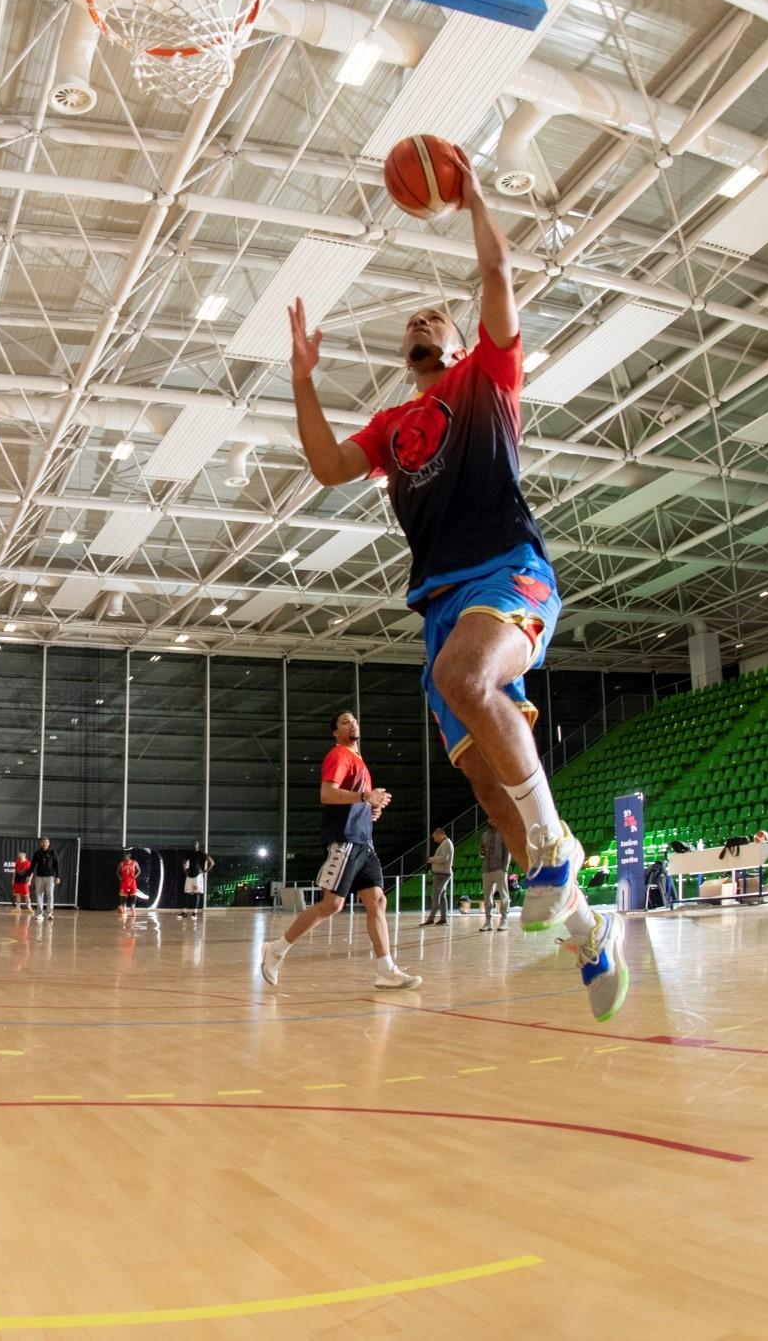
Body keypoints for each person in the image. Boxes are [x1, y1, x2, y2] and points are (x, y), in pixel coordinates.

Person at [286, 162, 628, 1021]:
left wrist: (474, 198)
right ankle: (587, 928)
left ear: (455, 336)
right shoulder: (392, 427)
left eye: (434, 315)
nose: (421, 321)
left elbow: (499, 275)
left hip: (507, 571)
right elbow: (327, 467)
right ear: (404, 356)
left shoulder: (489, 380)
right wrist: (300, 377)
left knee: (464, 681)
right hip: (440, 605)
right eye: (413, 323)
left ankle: (555, 852)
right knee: (482, 784)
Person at [260, 710, 420, 991]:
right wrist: (363, 797)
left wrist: (371, 808)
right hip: (345, 839)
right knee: (332, 905)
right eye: (345, 722)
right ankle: (276, 949)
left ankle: (386, 970)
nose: (352, 723)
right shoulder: (339, 755)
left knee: (377, 902)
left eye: (355, 720)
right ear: (336, 732)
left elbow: (355, 801)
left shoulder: (360, 763)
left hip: (364, 842)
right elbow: (327, 794)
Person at [479, 820, 510, 931]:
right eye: (489, 818)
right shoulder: (484, 835)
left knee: (503, 896)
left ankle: (504, 921)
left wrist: (504, 868)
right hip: (486, 869)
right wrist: (481, 852)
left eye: (492, 817)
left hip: (499, 869)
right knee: (487, 897)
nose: (490, 820)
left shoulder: (503, 833)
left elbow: (507, 852)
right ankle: (488, 922)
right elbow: (481, 852)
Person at [421, 827, 454, 926]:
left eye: (435, 837)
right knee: (442, 897)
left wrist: (431, 859)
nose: (435, 840)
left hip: (442, 874)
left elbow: (444, 858)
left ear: (440, 834)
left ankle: (431, 919)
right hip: (442, 873)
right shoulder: (445, 843)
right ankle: (443, 919)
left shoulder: (446, 843)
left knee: (436, 896)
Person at [29, 836, 61, 921]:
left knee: (50, 895)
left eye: (46, 842)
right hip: (39, 877)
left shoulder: (53, 852)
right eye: (43, 842)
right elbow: (32, 864)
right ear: (41, 843)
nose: (44, 844)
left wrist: (58, 876)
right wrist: (29, 875)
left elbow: (56, 864)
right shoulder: (37, 853)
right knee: (39, 895)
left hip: (50, 877)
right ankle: (40, 913)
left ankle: (50, 913)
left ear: (48, 843)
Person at [180, 846, 215, 918]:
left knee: (197, 893)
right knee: (187, 893)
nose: (195, 845)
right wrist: (185, 871)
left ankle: (194, 913)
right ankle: (184, 912)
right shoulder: (189, 854)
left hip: (198, 876)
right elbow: (184, 862)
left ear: (199, 845)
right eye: (194, 844)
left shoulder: (202, 853)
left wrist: (205, 871)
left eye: (196, 844)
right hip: (190, 876)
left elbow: (212, 862)